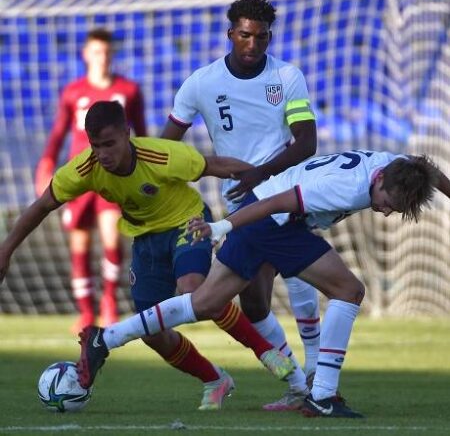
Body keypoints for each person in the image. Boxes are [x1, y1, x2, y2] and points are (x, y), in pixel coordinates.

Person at [76, 149, 450, 418]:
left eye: (394, 208)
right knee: (349, 291)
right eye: (386, 201)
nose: (385, 210)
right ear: (380, 179)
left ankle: (104, 338)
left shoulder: (397, 167)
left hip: (265, 217)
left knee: (202, 303)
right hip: (274, 220)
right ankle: (322, 394)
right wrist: (222, 226)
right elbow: (277, 204)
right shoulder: (347, 187)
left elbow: (428, 168)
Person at [0, 101, 295, 411]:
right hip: (145, 239)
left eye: (110, 144)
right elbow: (42, 205)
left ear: (127, 134)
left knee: (194, 289)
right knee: (152, 333)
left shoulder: (160, 155)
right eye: (96, 146)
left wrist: (270, 182)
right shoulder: (84, 169)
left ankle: (266, 352)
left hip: (187, 222)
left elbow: (215, 165)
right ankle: (215, 380)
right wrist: (6, 251)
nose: (103, 153)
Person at [160, 0, 320, 411]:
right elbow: (166, 148)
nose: (253, 45)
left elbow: (306, 141)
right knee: (252, 302)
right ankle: (301, 382)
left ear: (270, 37)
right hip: (241, 201)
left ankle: (316, 376)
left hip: (284, 188)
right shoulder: (201, 82)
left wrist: (261, 173)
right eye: (245, 35)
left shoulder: (287, 76)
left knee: (299, 273)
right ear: (230, 33)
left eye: (262, 37)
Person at [34, 28, 147, 334]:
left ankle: (109, 301)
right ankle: (86, 313)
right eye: (96, 52)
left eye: (107, 52)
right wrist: (46, 164)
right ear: (86, 54)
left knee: (112, 238)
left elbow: (143, 132)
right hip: (80, 177)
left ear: (112, 55)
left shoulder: (129, 90)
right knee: (80, 244)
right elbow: (59, 133)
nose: (102, 57)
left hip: (114, 176)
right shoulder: (73, 91)